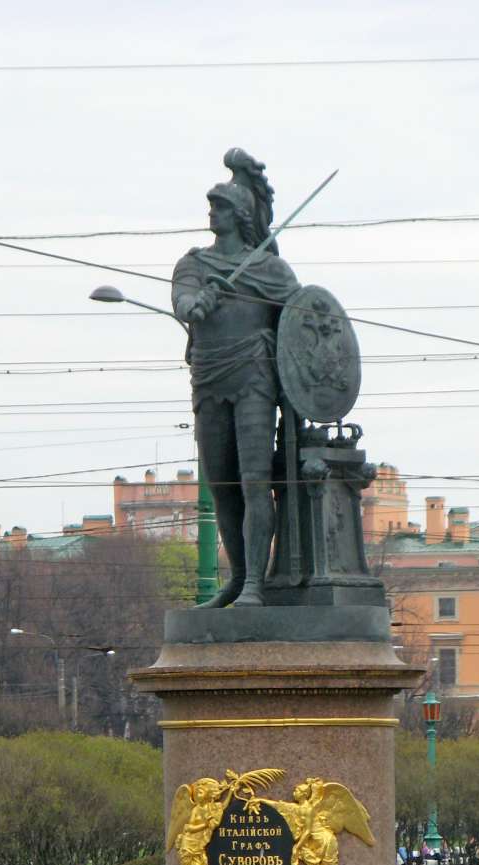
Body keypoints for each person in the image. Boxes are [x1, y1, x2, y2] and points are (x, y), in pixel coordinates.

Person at [172, 149, 300, 608]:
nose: (212, 211)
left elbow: (303, 322)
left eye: (220, 205)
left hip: (254, 377)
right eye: (211, 204)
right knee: (221, 483)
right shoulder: (193, 265)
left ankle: (255, 587)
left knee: (253, 480)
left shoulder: (270, 270)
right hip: (209, 377)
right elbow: (183, 306)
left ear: (240, 214)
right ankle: (238, 577)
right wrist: (201, 302)